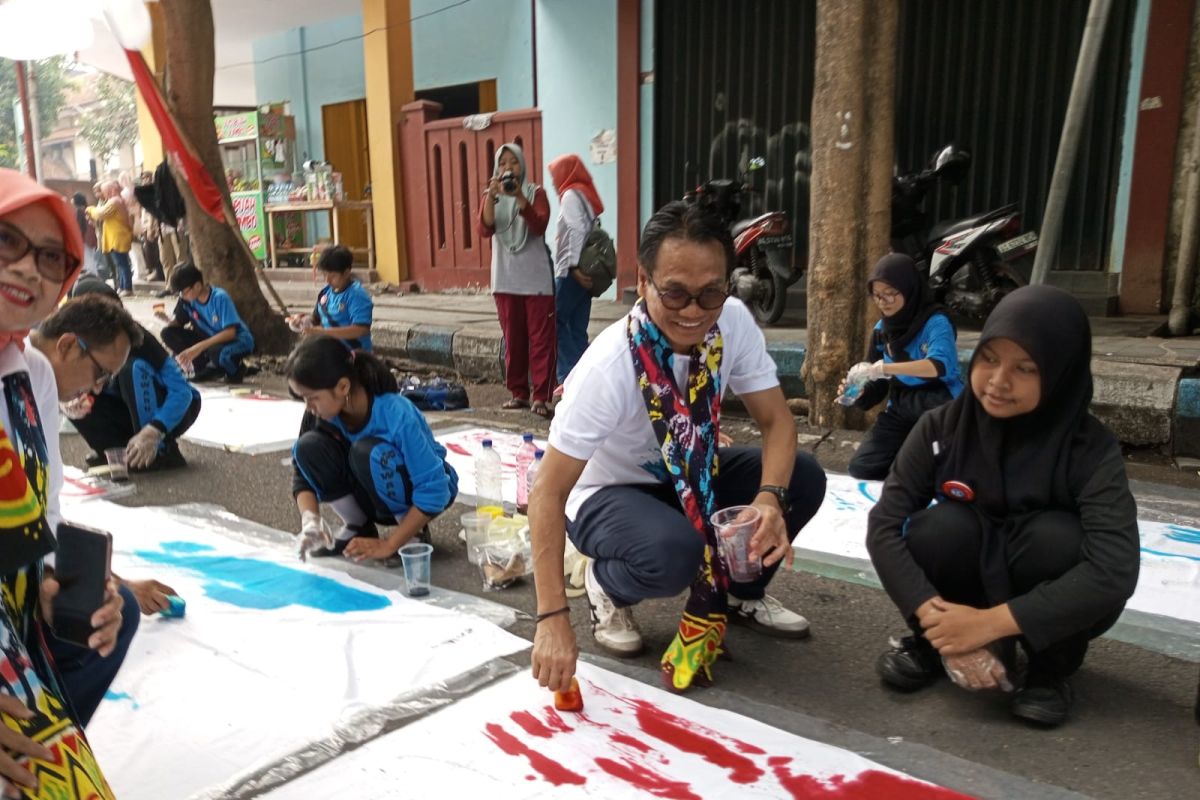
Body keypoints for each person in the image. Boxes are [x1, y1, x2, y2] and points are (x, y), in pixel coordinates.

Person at [528, 200, 827, 696]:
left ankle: (740, 592)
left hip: (690, 474)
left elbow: (777, 422)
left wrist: (770, 498)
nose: (693, 312)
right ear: (643, 281)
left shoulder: (730, 323)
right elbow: (547, 493)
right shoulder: (608, 367)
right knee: (673, 552)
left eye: (710, 292)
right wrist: (552, 617)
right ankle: (608, 586)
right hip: (608, 492)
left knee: (804, 477)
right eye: (676, 293)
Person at [866, 285, 1140, 728]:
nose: (997, 381)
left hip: (1034, 577)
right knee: (940, 528)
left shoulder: (1089, 450)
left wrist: (991, 624)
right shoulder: (942, 428)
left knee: (1058, 539)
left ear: (1060, 375)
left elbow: (1116, 568)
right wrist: (937, 620)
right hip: (963, 589)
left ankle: (1049, 671)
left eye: (1025, 368)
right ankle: (934, 645)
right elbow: (884, 526)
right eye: (990, 359)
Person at [0, 167, 123, 796]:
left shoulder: (31, 377)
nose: (27, 269)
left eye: (51, 257)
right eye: (6, 243)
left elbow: (37, 519)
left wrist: (55, 588)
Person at [288, 336, 458, 567]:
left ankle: (412, 533)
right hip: (370, 494)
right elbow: (303, 473)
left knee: (369, 452)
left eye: (313, 398)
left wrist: (390, 544)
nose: (309, 407)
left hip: (417, 497)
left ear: (343, 387)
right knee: (307, 447)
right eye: (304, 399)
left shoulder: (396, 414)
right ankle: (358, 525)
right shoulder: (320, 414)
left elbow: (435, 488)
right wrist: (310, 521)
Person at [55, 278, 200, 472]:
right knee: (75, 397)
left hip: (172, 410)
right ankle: (115, 450)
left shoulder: (138, 338)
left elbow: (182, 392)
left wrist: (155, 430)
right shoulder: (77, 341)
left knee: (130, 369)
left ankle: (163, 450)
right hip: (124, 407)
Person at [842, 253, 962, 480]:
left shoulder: (936, 322)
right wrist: (858, 391)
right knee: (863, 467)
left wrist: (885, 368)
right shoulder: (881, 330)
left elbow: (938, 366)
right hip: (901, 406)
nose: (883, 302)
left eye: (890, 294)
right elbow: (875, 387)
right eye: (877, 295)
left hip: (941, 406)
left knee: (948, 471)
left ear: (909, 290)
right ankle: (911, 467)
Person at [478, 142, 556, 418]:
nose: (508, 168)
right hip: (505, 279)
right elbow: (485, 229)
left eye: (513, 162)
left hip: (536, 281)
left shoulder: (537, 193)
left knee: (541, 339)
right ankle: (519, 393)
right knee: (514, 340)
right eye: (503, 163)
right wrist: (491, 196)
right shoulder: (493, 194)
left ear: (522, 165)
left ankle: (541, 398)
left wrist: (520, 197)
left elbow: (539, 225)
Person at [547, 154, 603, 391]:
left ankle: (569, 379)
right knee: (577, 328)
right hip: (586, 271)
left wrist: (572, 267)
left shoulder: (570, 195)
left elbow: (576, 232)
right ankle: (588, 380)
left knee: (554, 322)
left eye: (554, 176)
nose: (552, 182)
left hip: (571, 271)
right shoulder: (584, 194)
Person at [157, 262, 255, 384]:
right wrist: (166, 319)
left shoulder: (219, 298)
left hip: (235, 340)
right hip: (209, 340)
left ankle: (235, 370)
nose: (181, 296)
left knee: (219, 354)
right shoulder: (186, 301)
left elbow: (230, 333)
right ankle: (204, 367)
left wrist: (198, 347)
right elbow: (178, 323)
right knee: (167, 333)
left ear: (197, 286)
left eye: (184, 292)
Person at [292, 244, 374, 350]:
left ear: (346, 273)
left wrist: (323, 332)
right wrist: (302, 321)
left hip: (355, 355)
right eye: (324, 275)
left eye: (333, 276)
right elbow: (316, 319)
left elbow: (361, 329)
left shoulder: (357, 295)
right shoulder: (325, 293)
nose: (327, 280)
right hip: (330, 352)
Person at [86, 181, 134, 297]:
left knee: (122, 264)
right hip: (116, 237)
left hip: (117, 237)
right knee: (120, 263)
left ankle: (127, 288)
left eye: (105, 191)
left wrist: (91, 209)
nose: (104, 194)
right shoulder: (117, 200)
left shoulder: (114, 201)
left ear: (111, 190)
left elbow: (100, 214)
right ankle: (123, 287)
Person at [72, 192, 99, 277]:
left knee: (87, 258)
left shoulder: (79, 211)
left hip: (84, 239)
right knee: (90, 257)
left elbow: (78, 226)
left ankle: (92, 275)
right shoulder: (86, 209)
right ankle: (93, 274)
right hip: (90, 238)